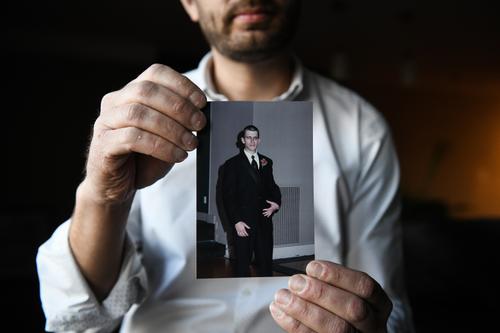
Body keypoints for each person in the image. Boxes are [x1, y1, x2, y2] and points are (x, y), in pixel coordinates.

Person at [36, 0, 415, 332]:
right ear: (189, 3)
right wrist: (103, 196)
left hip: (265, 226)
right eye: (247, 139)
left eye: (255, 139)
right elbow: (79, 320)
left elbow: (388, 307)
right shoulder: (138, 117)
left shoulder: (363, 129)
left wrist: (366, 322)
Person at [220, 125, 281, 277]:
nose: (252, 141)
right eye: (248, 137)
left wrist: (276, 203)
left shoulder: (267, 162)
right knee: (242, 265)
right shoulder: (232, 164)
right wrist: (236, 221)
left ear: (259, 140)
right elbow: (227, 195)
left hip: (264, 220)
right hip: (243, 223)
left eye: (255, 138)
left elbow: (272, 186)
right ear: (243, 140)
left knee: (266, 264)